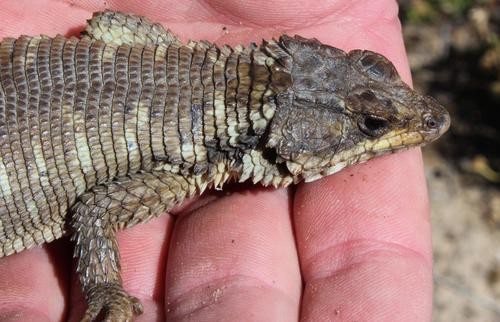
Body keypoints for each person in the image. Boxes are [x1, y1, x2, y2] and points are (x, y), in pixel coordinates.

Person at [0, 0, 432, 320]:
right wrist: (105, 290)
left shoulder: (165, 54)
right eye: (372, 124)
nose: (426, 122)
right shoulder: (180, 173)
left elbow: (107, 25)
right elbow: (94, 213)